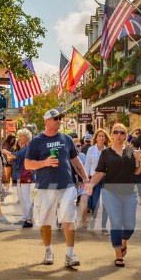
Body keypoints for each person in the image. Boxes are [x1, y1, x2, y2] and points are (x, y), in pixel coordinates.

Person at [24, 108, 90, 268]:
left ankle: (70, 254)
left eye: (60, 118)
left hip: (66, 186)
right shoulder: (36, 141)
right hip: (44, 188)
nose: (59, 120)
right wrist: (45, 163)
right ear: (46, 121)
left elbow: (76, 162)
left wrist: (86, 179)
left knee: (69, 219)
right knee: (45, 222)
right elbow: (28, 164)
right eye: (56, 118)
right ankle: (48, 250)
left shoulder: (66, 139)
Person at [86, 122, 141, 267]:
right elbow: (100, 171)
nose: (119, 135)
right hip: (110, 192)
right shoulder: (106, 153)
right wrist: (91, 184)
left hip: (130, 192)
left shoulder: (130, 151)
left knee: (130, 225)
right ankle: (118, 254)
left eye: (122, 133)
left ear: (126, 136)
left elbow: (136, 172)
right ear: (112, 135)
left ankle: (124, 241)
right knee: (116, 223)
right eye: (116, 132)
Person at [82, 128, 110, 233]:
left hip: (106, 179)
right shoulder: (91, 150)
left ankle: (103, 227)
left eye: (103, 136)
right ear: (96, 138)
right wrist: (86, 180)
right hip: (94, 178)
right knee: (95, 203)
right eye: (99, 136)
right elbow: (87, 165)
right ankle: (93, 219)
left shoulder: (108, 150)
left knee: (106, 203)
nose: (101, 137)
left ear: (105, 138)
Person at [10, 128, 35, 228]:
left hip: (26, 175)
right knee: (22, 197)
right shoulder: (21, 148)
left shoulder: (27, 148)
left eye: (22, 136)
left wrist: (5, 152)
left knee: (26, 197)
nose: (19, 138)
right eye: (19, 136)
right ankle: (24, 218)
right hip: (20, 175)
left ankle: (29, 219)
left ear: (27, 138)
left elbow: (15, 156)